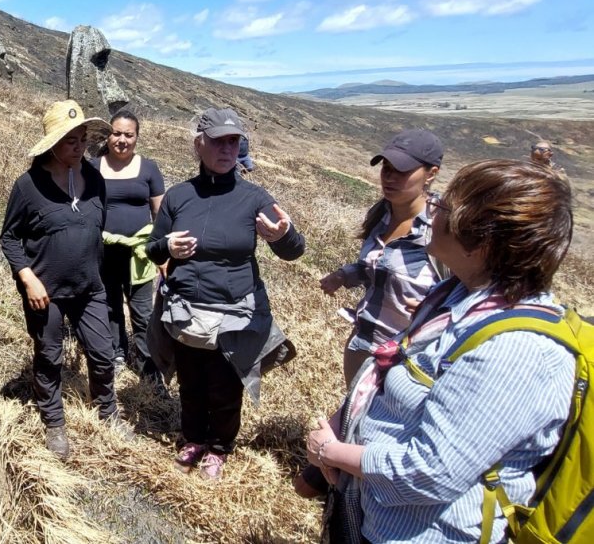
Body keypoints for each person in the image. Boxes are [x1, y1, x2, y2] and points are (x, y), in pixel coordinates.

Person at [306, 159, 574, 544]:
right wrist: (342, 424)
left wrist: (332, 453)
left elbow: (428, 473)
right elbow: (390, 375)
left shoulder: (515, 351)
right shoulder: (455, 295)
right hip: (376, 514)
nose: (431, 211)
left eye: (444, 206)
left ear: (481, 241)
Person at [147, 107, 305, 481]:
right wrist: (168, 247)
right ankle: (193, 438)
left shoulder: (253, 197)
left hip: (235, 313)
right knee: (190, 382)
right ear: (199, 144)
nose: (227, 149)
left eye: (234, 141)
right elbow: (152, 248)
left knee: (226, 385)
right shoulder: (179, 196)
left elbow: (295, 250)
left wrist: (282, 236)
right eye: (218, 141)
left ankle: (219, 447)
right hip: (186, 311)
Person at [0, 100, 120, 460]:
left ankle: (108, 413)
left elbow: (96, 226)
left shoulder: (95, 179)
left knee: (103, 354)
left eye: (82, 139)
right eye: (71, 140)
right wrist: (28, 278)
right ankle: (54, 423)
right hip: (46, 292)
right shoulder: (28, 186)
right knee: (49, 356)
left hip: (90, 287)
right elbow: (9, 238)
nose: (79, 146)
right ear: (52, 143)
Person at [320, 129, 445, 385]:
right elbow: (378, 265)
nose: (389, 177)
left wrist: (433, 310)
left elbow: (468, 294)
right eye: (386, 168)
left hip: (410, 360)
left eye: (402, 171)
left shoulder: (444, 228)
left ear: (431, 173)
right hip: (363, 344)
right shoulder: (382, 214)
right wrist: (345, 275)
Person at [91, 109, 166, 384]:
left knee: (143, 312)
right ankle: (117, 355)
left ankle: (149, 368)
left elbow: (160, 214)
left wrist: (163, 254)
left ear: (137, 138)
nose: (122, 140)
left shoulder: (149, 169)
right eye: (116, 133)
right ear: (108, 136)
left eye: (128, 135)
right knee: (110, 307)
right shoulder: (93, 167)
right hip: (103, 252)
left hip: (139, 255)